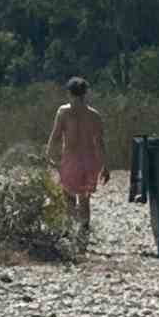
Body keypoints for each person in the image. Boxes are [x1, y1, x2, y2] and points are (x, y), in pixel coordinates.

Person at [46, 77, 109, 236]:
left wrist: (49, 155)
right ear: (85, 93)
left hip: (71, 159)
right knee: (85, 198)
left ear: (69, 92)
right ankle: (84, 231)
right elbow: (100, 143)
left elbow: (55, 137)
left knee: (68, 196)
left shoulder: (63, 112)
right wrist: (105, 166)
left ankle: (70, 230)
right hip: (89, 160)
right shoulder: (94, 115)